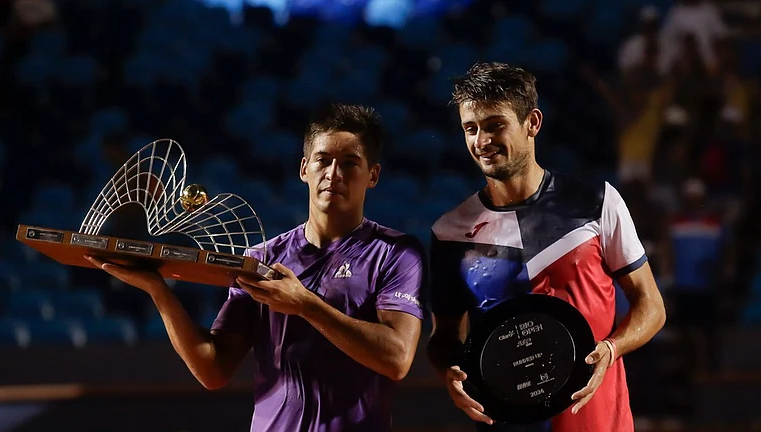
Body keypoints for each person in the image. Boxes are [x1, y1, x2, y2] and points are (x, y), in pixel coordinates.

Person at [85, 103, 427, 432]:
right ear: (304, 168)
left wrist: (304, 304)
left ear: (373, 175)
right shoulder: (261, 257)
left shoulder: (396, 253)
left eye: (350, 163)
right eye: (323, 160)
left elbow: (396, 359)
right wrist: (158, 290)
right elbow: (214, 370)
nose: (333, 174)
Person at [426, 62, 667, 432]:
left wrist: (611, 348)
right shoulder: (450, 232)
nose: (481, 141)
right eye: (470, 129)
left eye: (495, 125)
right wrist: (451, 374)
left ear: (532, 123)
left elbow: (651, 306)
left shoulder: (598, 201)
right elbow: (444, 339)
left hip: (599, 423)